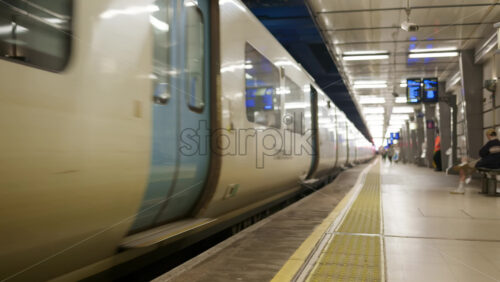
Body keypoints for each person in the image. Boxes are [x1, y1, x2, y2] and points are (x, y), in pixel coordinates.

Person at [451, 128, 500, 194]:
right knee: (466, 160)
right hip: (497, 165)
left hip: (486, 163)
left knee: (463, 166)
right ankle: (467, 170)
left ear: (488, 135)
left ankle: (461, 187)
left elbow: (481, 153)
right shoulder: (498, 143)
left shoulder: (489, 144)